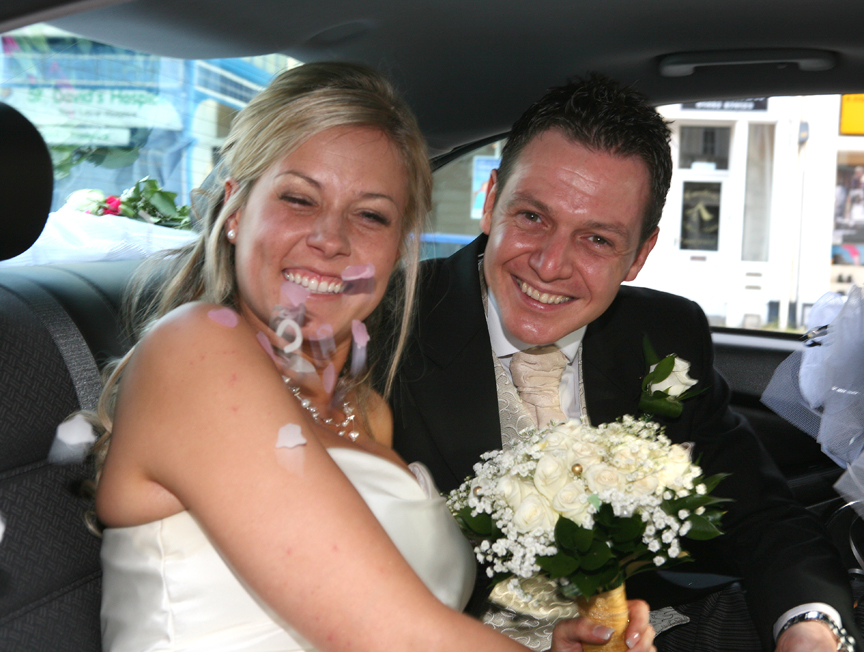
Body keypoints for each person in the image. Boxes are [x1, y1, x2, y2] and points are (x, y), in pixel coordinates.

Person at [89, 62, 656, 652]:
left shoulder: (367, 414)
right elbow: (398, 637)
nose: (330, 239)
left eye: (370, 215)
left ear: (397, 246)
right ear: (235, 210)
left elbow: (403, 613)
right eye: (299, 199)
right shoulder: (194, 348)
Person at [383, 74, 860, 652]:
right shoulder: (389, 325)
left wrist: (809, 627)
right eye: (532, 217)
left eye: (597, 240)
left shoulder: (663, 335)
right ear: (491, 202)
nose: (550, 265)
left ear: (640, 254)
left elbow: (762, 515)